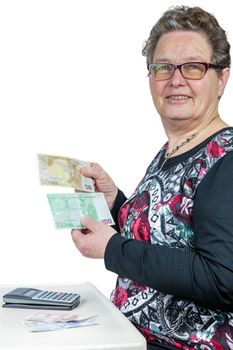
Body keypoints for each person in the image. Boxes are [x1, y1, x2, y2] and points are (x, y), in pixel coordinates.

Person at [71, 6, 233, 349]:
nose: (176, 80)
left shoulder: (227, 160)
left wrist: (113, 249)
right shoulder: (172, 150)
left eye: (193, 67)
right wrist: (115, 200)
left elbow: (222, 279)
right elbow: (168, 236)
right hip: (131, 338)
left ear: (221, 79)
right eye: (163, 68)